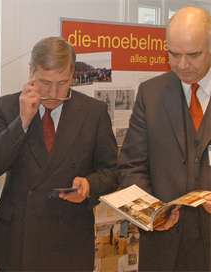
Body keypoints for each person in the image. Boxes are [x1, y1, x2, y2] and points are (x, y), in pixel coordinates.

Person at [0, 36, 118, 271]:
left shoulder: (93, 112)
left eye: (63, 82)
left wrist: (88, 186)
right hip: (18, 241)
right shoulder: (6, 107)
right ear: (31, 73)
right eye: (44, 82)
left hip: (70, 239)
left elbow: (113, 171)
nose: (54, 92)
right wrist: (22, 121)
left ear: (73, 74)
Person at [118, 6, 211, 271]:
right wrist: (152, 214)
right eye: (173, 54)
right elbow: (131, 166)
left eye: (193, 55)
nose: (182, 64)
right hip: (163, 248)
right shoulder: (150, 94)